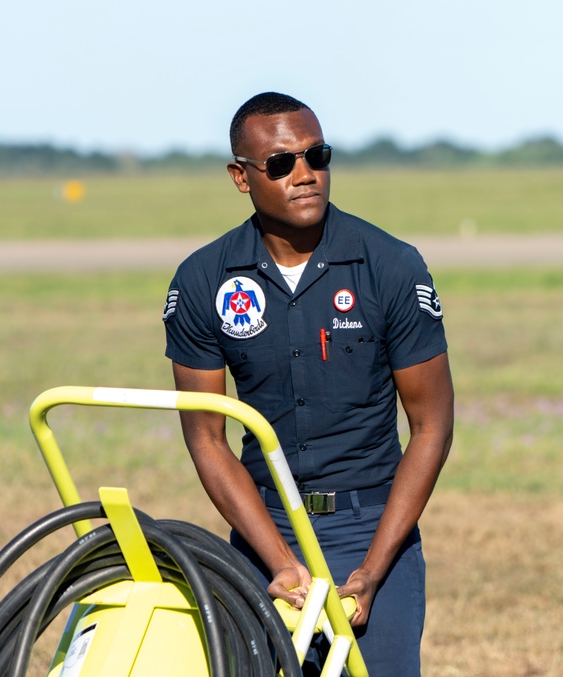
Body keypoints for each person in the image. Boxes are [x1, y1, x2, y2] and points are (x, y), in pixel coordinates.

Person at [162, 91, 453, 676]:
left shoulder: (391, 265)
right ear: (240, 177)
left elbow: (432, 426)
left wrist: (372, 570)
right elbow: (208, 440)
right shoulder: (201, 279)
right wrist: (278, 562)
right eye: (281, 163)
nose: (305, 175)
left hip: (370, 528)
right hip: (263, 530)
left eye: (317, 156)